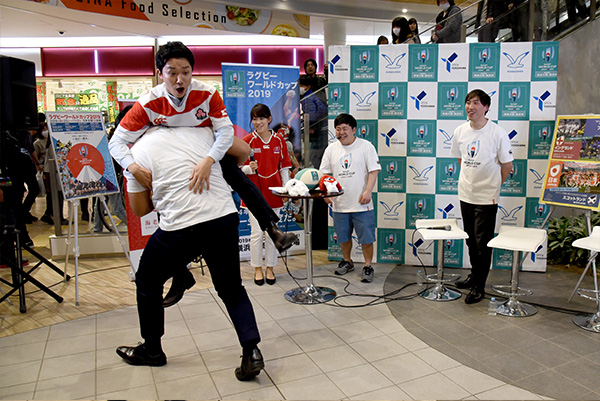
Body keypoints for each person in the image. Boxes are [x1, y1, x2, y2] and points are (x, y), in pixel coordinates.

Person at [108, 41, 297, 306]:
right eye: (172, 72)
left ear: (192, 71)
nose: (179, 79)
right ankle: (180, 273)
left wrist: (209, 160)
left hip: (209, 153)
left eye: (185, 71)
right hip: (174, 166)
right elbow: (115, 143)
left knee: (233, 172)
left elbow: (229, 137)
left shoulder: (207, 94)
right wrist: (133, 167)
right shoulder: (148, 105)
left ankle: (272, 228)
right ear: (160, 73)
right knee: (172, 211)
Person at [114, 125, 264, 381]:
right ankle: (251, 350)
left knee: (148, 280)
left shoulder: (136, 155)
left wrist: (159, 187)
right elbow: (245, 151)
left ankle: (152, 350)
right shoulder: (201, 130)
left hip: (182, 226)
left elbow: (140, 210)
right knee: (231, 288)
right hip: (222, 216)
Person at [451, 89, 514, 304]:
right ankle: (474, 276)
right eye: (468, 102)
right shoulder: (460, 131)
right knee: (470, 240)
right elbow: (460, 159)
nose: (470, 107)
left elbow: (507, 166)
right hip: (466, 194)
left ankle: (479, 286)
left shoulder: (497, 133)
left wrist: (493, 185)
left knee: (482, 242)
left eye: (476, 103)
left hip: (487, 197)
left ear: (486, 107)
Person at [320, 113, 380, 283]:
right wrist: (325, 193)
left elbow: (374, 170)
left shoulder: (366, 146)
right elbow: (324, 173)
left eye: (345, 128)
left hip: (362, 204)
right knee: (343, 237)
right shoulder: (331, 149)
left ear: (354, 129)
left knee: (366, 238)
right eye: (338, 129)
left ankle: (368, 265)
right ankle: (347, 262)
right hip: (340, 204)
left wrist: (368, 191)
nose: (341, 132)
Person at [241, 104, 292, 286]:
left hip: (275, 195)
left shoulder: (279, 141)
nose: (258, 122)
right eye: (255, 119)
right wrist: (248, 168)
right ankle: (257, 268)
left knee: (273, 234)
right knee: (256, 234)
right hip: (253, 196)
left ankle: (270, 267)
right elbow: (236, 169)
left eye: (261, 118)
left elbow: (285, 167)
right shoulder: (246, 141)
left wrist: (286, 189)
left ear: (269, 119)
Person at [299, 75, 328, 169]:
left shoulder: (308, 99)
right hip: (321, 128)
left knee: (314, 156)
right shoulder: (311, 95)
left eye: (301, 86)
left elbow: (312, 117)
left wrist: (304, 125)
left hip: (319, 130)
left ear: (307, 87)